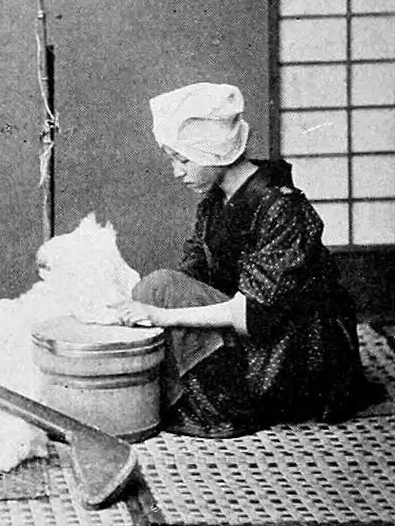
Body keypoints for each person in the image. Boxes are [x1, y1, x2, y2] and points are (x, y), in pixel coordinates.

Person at [111, 82, 374, 438]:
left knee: (162, 296)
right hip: (249, 327)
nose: (176, 172)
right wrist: (140, 300)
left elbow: (255, 313)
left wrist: (162, 315)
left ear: (213, 150)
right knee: (158, 286)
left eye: (182, 159)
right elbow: (192, 273)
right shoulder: (216, 201)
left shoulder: (281, 207)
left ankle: (229, 406)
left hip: (296, 348)